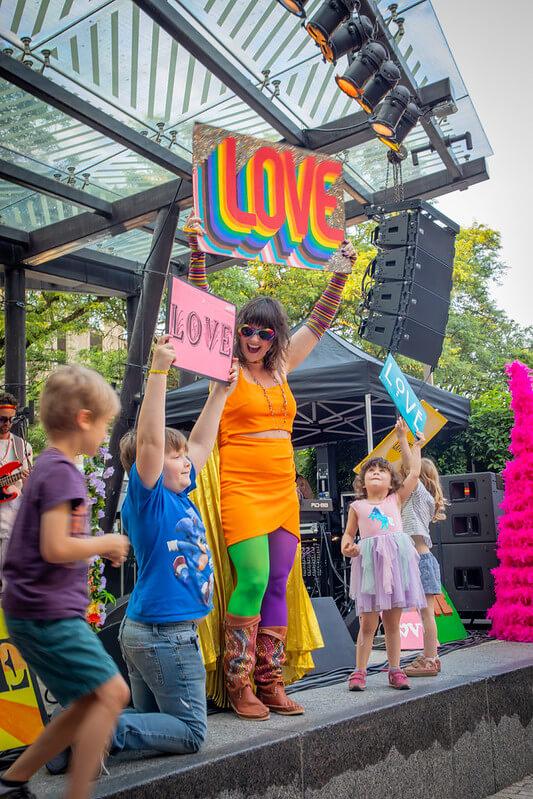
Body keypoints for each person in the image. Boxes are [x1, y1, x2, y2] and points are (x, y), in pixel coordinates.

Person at [184, 213, 357, 720]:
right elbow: (201, 305)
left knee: (280, 579)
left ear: (275, 336)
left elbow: (319, 323)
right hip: (240, 484)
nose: (253, 339)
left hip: (282, 487)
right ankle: (238, 686)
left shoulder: (283, 369)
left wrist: (340, 273)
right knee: (254, 578)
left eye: (263, 332)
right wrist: (197, 249)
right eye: (246, 330)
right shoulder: (226, 368)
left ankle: (270, 681)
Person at [0, 365, 130, 799]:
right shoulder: (60, 472)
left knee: (89, 700)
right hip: (46, 613)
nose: (106, 433)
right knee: (112, 693)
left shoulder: (51, 468)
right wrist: (105, 541)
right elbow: (56, 547)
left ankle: (15, 779)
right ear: (83, 419)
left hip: (36, 610)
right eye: (106, 423)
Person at [112, 336, 238, 755]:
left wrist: (220, 392)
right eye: (175, 456)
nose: (187, 460)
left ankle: (76, 730)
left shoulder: (179, 494)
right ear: (147, 468)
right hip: (164, 637)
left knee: (153, 733)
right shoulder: (148, 500)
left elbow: (201, 443)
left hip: (150, 633)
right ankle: (97, 732)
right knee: (189, 733)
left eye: (184, 455)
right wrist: (159, 371)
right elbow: (148, 442)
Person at [341, 420, 427, 692]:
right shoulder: (357, 506)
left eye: (382, 471)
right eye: (371, 471)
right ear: (362, 482)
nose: (376, 473)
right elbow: (347, 535)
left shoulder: (395, 500)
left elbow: (413, 471)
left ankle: (395, 668)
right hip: (369, 567)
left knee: (393, 622)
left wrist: (408, 441)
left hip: (396, 566)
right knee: (368, 623)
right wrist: (348, 546)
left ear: (392, 482)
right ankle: (359, 671)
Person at [396, 420, 447, 677]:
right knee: (423, 612)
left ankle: (431, 658)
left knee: (426, 613)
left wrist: (406, 440)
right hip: (418, 560)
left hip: (421, 561)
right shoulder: (420, 498)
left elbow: (409, 466)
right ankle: (428, 655)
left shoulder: (417, 494)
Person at [0, 391, 33, 591]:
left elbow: (27, 490)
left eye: (10, 419)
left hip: (11, 521)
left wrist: (29, 481)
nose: (6, 423)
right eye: (2, 419)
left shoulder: (22, 447)